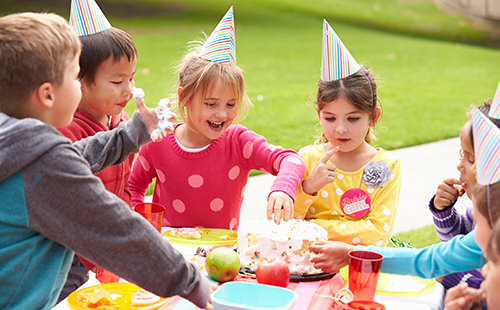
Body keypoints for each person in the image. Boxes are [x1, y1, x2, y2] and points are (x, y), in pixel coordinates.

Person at [0, 12, 212, 310]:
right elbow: (116, 231)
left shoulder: (15, 143)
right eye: (75, 77)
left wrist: (131, 134)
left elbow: (75, 157)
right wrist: (191, 282)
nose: (81, 85)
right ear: (48, 95)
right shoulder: (43, 164)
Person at [129, 7, 305, 229]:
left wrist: (282, 187)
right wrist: (139, 226)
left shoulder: (239, 143)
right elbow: (133, 186)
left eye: (231, 104)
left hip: (222, 258)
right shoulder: (158, 141)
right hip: (170, 256)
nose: (222, 114)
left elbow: (292, 159)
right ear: (185, 97)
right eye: (211, 104)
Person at [55, 0, 143, 301]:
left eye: (131, 78)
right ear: (79, 81)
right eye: (117, 81)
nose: (128, 90)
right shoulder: (67, 130)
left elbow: (129, 180)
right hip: (73, 258)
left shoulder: (123, 120)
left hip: (110, 247)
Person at [293, 20, 401, 246]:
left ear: (374, 117)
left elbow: (376, 232)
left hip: (359, 271)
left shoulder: (388, 165)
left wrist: (311, 227)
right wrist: (308, 187)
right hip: (310, 271)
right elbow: (284, 223)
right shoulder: (307, 159)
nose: (340, 129)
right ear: (318, 113)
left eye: (353, 118)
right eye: (330, 118)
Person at [429, 101, 491, 291]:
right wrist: (444, 211)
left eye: (471, 158)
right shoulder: (480, 212)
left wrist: (448, 273)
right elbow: (454, 242)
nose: (460, 165)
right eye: (461, 154)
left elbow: (490, 286)